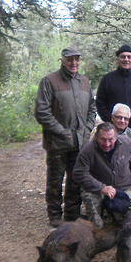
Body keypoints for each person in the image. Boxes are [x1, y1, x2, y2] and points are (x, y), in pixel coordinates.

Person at [34, 47, 97, 228]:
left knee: (75, 178)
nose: (74, 63)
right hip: (57, 143)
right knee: (55, 179)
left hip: (80, 141)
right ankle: (54, 215)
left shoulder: (84, 82)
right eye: (70, 59)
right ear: (62, 60)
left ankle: (72, 213)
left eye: (77, 59)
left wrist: (87, 128)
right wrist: (62, 131)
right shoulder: (49, 81)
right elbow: (42, 111)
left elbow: (92, 109)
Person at [73, 123, 131, 228]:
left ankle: (123, 223)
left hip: (125, 186)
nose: (107, 144)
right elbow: (79, 173)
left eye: (111, 139)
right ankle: (97, 232)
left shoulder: (126, 142)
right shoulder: (88, 150)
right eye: (103, 139)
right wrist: (101, 187)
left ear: (116, 137)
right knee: (96, 220)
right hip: (97, 188)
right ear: (96, 137)